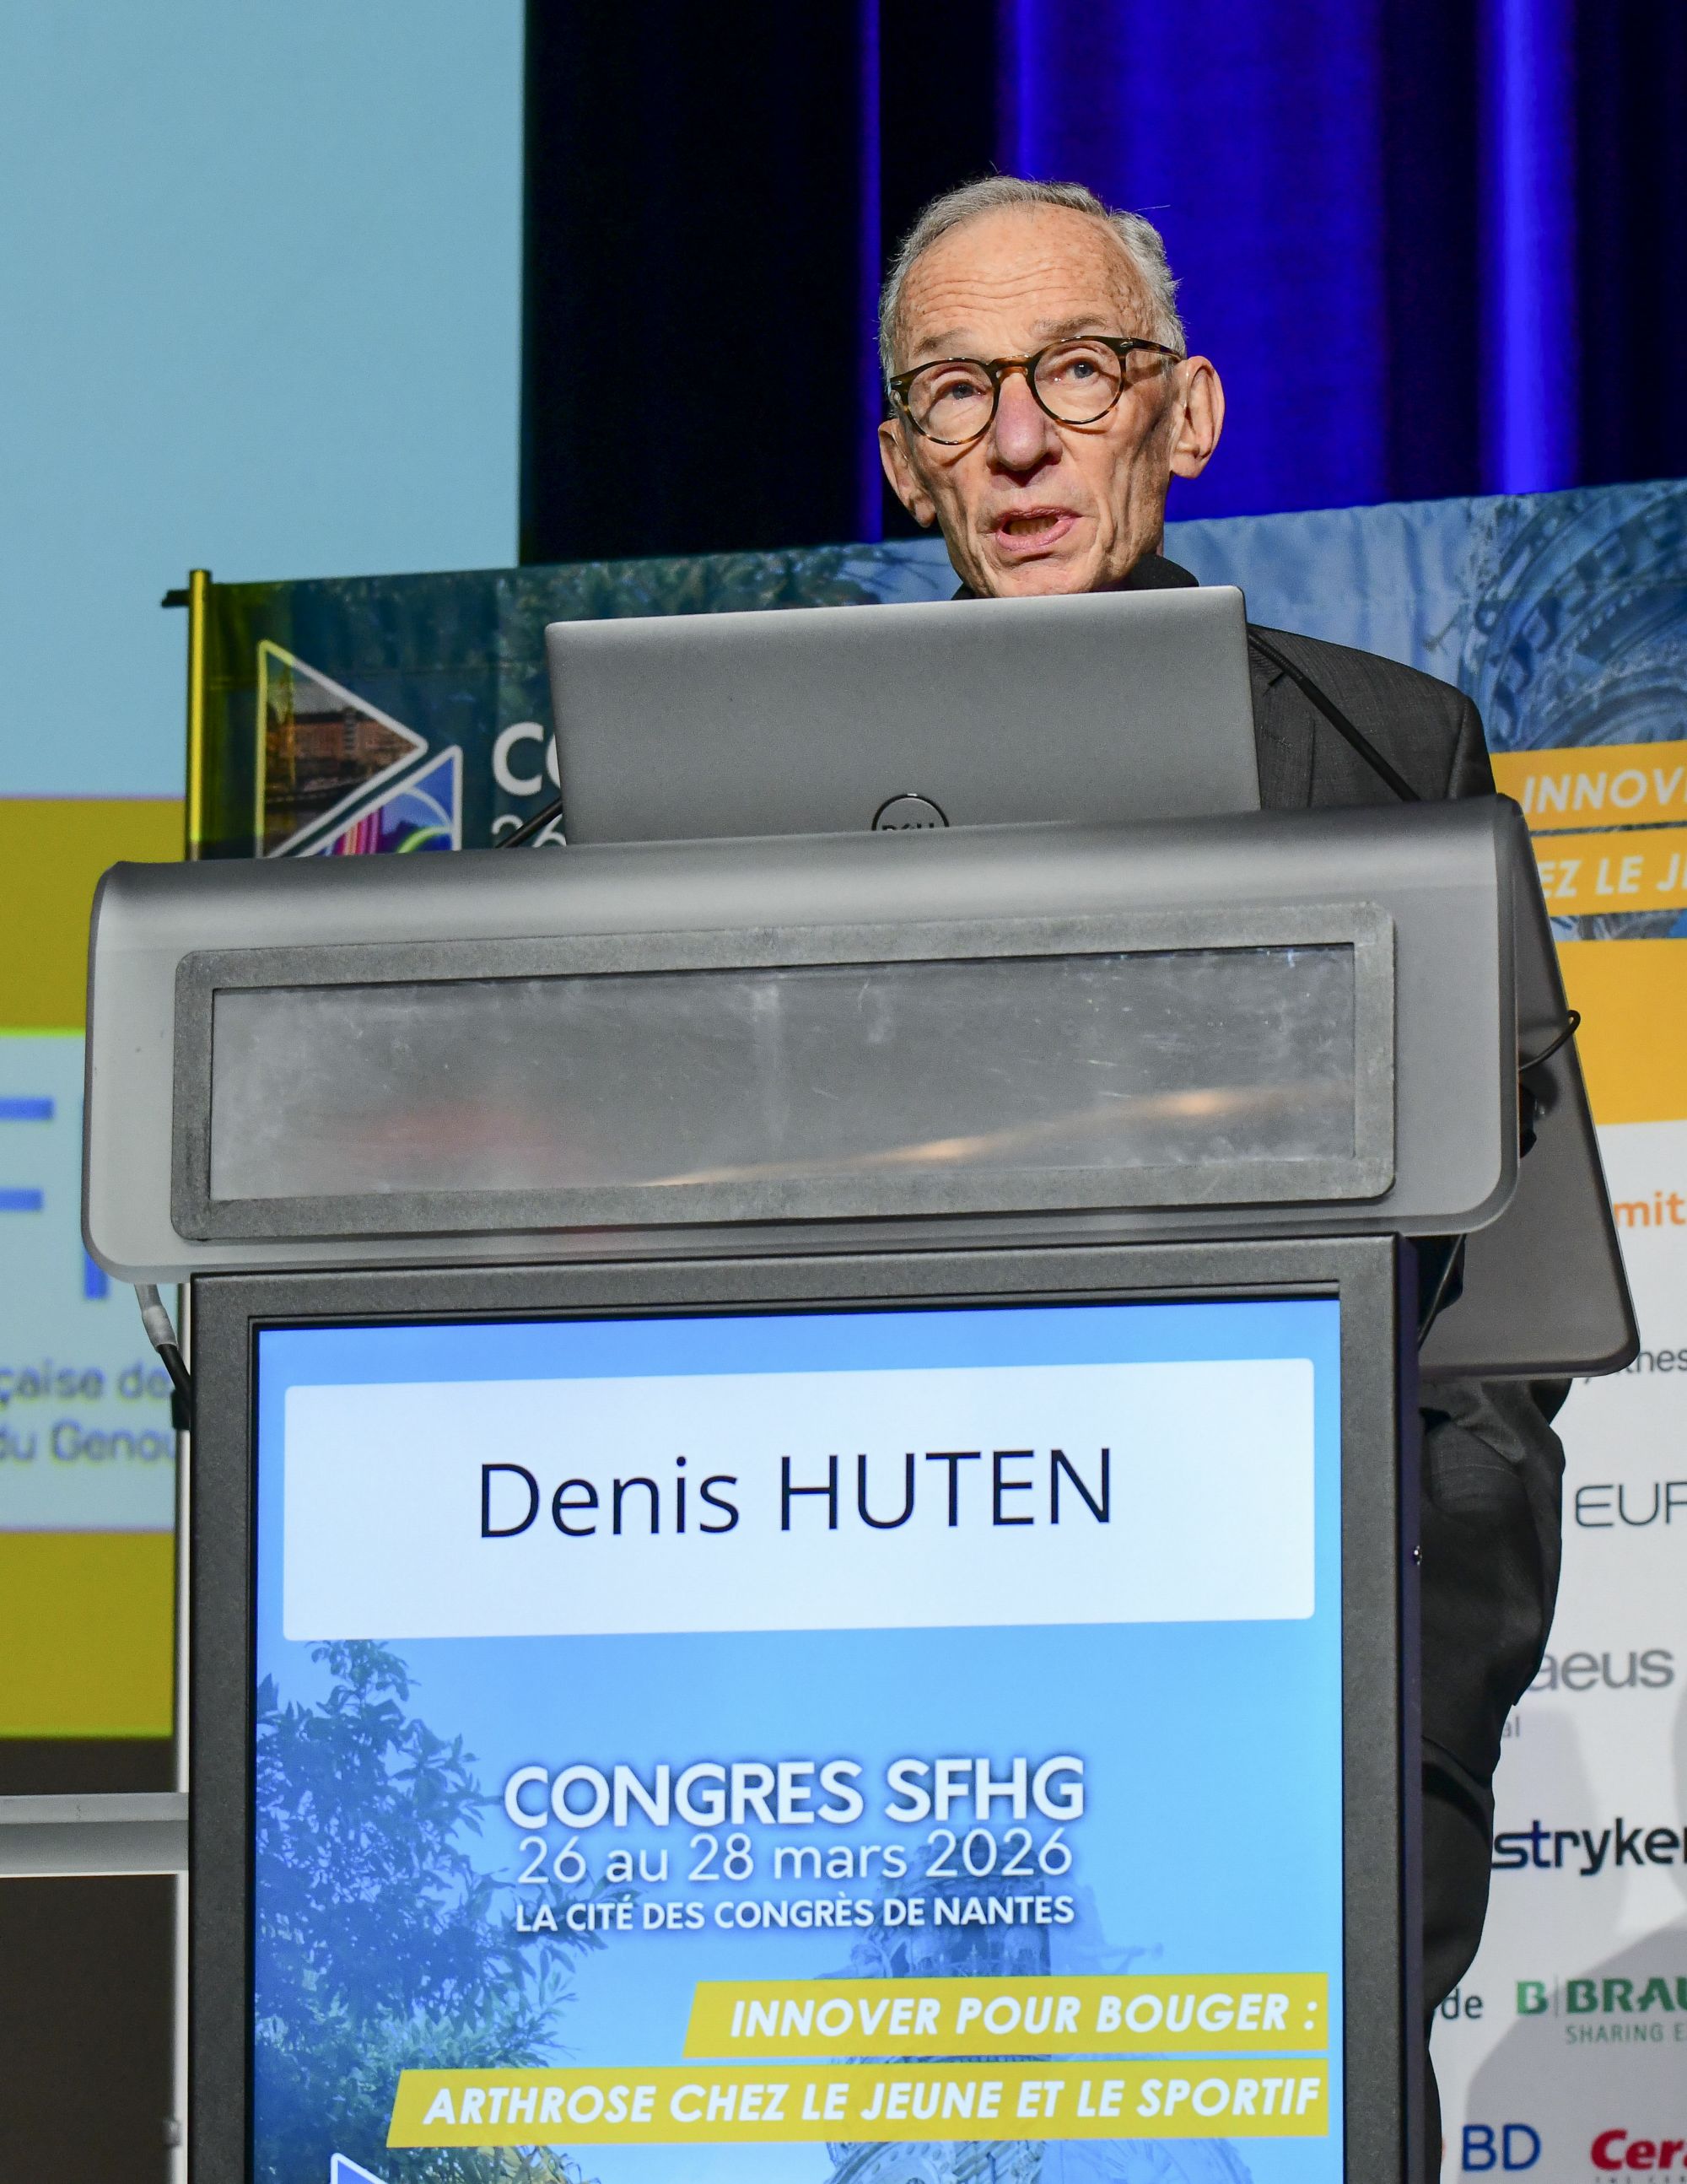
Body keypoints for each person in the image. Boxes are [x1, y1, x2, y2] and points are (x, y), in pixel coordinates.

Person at [876, 174, 1566, 2178]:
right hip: (877, 1707)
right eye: (955, 391)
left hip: (1285, 1715)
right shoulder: (762, 798)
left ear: (1185, 414)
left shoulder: (1391, 761)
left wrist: (1406, 1749)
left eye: (1076, 373)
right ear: (902, 460)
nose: (1018, 439)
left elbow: (1498, 1337)